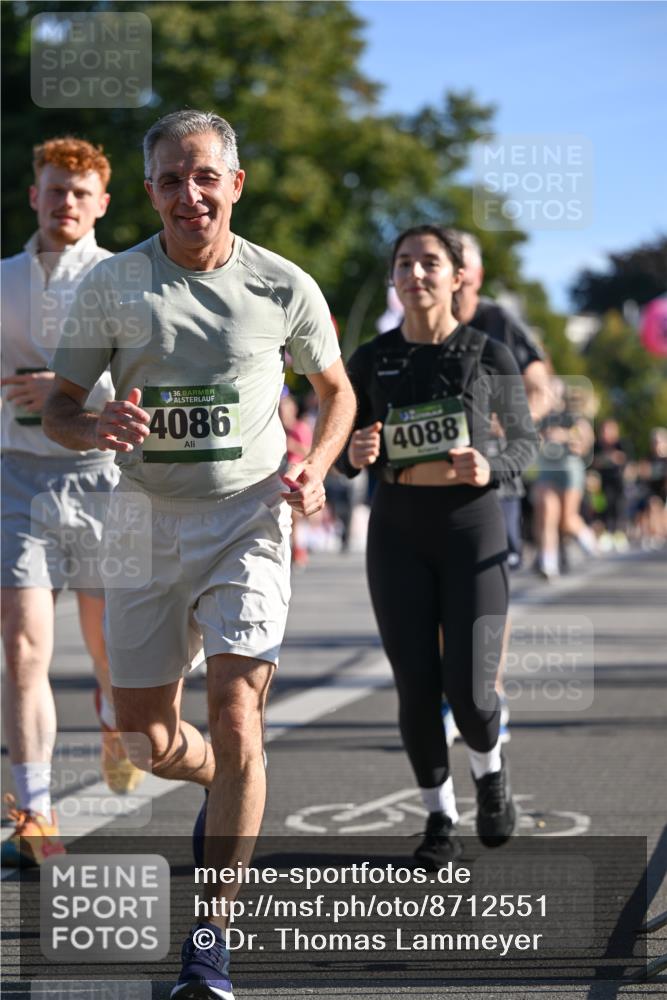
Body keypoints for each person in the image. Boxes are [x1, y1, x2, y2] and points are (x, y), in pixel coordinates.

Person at [43, 110, 356, 999]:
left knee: (236, 713)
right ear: (150, 192)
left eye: (205, 176)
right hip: (141, 518)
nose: (191, 194)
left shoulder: (282, 285)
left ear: (235, 184)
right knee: (146, 741)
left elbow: (334, 391)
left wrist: (317, 466)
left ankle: (209, 943)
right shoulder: (112, 286)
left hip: (249, 518)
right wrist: (93, 423)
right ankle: (227, 782)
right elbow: (60, 407)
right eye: (172, 180)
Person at [338, 224, 538, 869]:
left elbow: (527, 444)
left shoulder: (488, 352)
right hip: (396, 533)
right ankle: (439, 819)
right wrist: (352, 451)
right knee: (416, 687)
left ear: (458, 278)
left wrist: (492, 466)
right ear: (394, 279)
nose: (416, 274)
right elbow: (333, 447)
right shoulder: (369, 359)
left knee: (474, 691)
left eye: (430, 263)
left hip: (470, 530)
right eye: (404, 263)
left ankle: (491, 770)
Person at [1, 137, 144, 869]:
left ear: (102, 205)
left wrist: (65, 383)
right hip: (18, 477)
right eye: (55, 190)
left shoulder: (124, 280)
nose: (66, 203)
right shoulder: (2, 281)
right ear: (35, 195)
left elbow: (143, 377)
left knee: (107, 650)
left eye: (80, 194)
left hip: (102, 477)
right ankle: (34, 808)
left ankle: (115, 721)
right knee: (24, 645)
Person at [532, 378, 598, 579]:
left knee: (567, 520)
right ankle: (548, 562)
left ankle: (589, 542)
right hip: (547, 470)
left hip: (569, 471)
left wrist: (566, 435)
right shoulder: (538, 415)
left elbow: (585, 441)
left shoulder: (572, 416)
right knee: (546, 514)